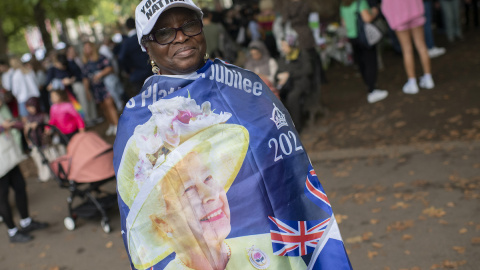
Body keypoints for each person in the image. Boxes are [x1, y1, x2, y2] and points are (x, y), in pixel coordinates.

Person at [113, 1, 352, 269]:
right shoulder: (136, 121)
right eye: (165, 32)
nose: (181, 36)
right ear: (147, 45)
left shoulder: (247, 86)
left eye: (189, 25)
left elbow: (285, 171)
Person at [0, 92, 48, 243]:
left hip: (10, 157)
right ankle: (12, 232)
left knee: (20, 187)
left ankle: (26, 222)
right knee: (3, 197)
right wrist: (2, 127)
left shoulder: (3, 110)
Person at [340, 0, 389, 104]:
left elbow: (343, 23)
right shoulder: (360, 3)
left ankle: (368, 85)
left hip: (352, 38)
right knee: (370, 63)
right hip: (364, 37)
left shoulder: (343, 5)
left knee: (361, 63)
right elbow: (367, 18)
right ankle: (372, 90)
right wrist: (374, 12)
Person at [382, 0, 435, 94]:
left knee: (407, 50)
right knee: (422, 46)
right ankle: (428, 78)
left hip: (399, 19)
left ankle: (412, 81)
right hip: (416, 15)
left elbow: (386, 7)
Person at [82, 42, 119, 136]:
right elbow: (85, 78)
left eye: (88, 47)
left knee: (109, 105)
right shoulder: (86, 63)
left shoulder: (100, 57)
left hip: (105, 85)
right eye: (85, 48)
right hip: (95, 88)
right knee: (103, 107)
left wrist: (100, 75)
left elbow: (109, 68)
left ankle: (117, 124)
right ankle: (111, 124)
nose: (87, 50)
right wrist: (87, 91)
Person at [118, 17, 152, 98]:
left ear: (126, 27)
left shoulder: (127, 42)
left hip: (137, 75)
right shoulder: (144, 37)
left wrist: (128, 71)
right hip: (152, 70)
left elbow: (121, 58)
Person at [66, 45, 99, 127]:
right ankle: (87, 120)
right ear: (68, 53)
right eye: (72, 51)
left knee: (90, 98)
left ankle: (94, 117)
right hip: (78, 84)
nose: (74, 52)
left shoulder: (77, 59)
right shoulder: (68, 63)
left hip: (85, 82)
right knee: (83, 101)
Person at [24, 97, 50, 182]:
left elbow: (49, 127)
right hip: (34, 142)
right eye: (29, 107)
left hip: (44, 142)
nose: (31, 109)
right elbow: (26, 131)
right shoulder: (28, 118)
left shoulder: (43, 116)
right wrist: (28, 141)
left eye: (32, 106)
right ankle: (43, 175)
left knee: (48, 158)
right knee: (38, 159)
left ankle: (52, 173)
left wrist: (39, 125)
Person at [10, 56, 40, 121]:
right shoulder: (29, 70)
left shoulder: (15, 76)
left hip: (23, 99)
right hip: (34, 97)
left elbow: (15, 91)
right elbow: (37, 83)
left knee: (26, 121)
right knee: (38, 117)